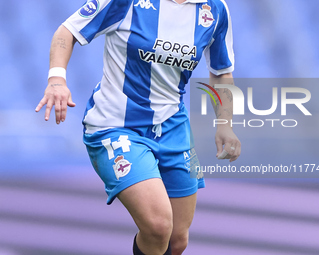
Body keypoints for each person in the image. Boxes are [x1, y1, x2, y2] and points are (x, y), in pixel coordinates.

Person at [36, 0, 241, 254]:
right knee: (157, 226)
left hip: (173, 127)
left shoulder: (216, 9)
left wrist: (224, 123)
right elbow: (67, 31)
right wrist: (57, 79)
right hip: (116, 126)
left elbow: (221, 71)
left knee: (177, 239)